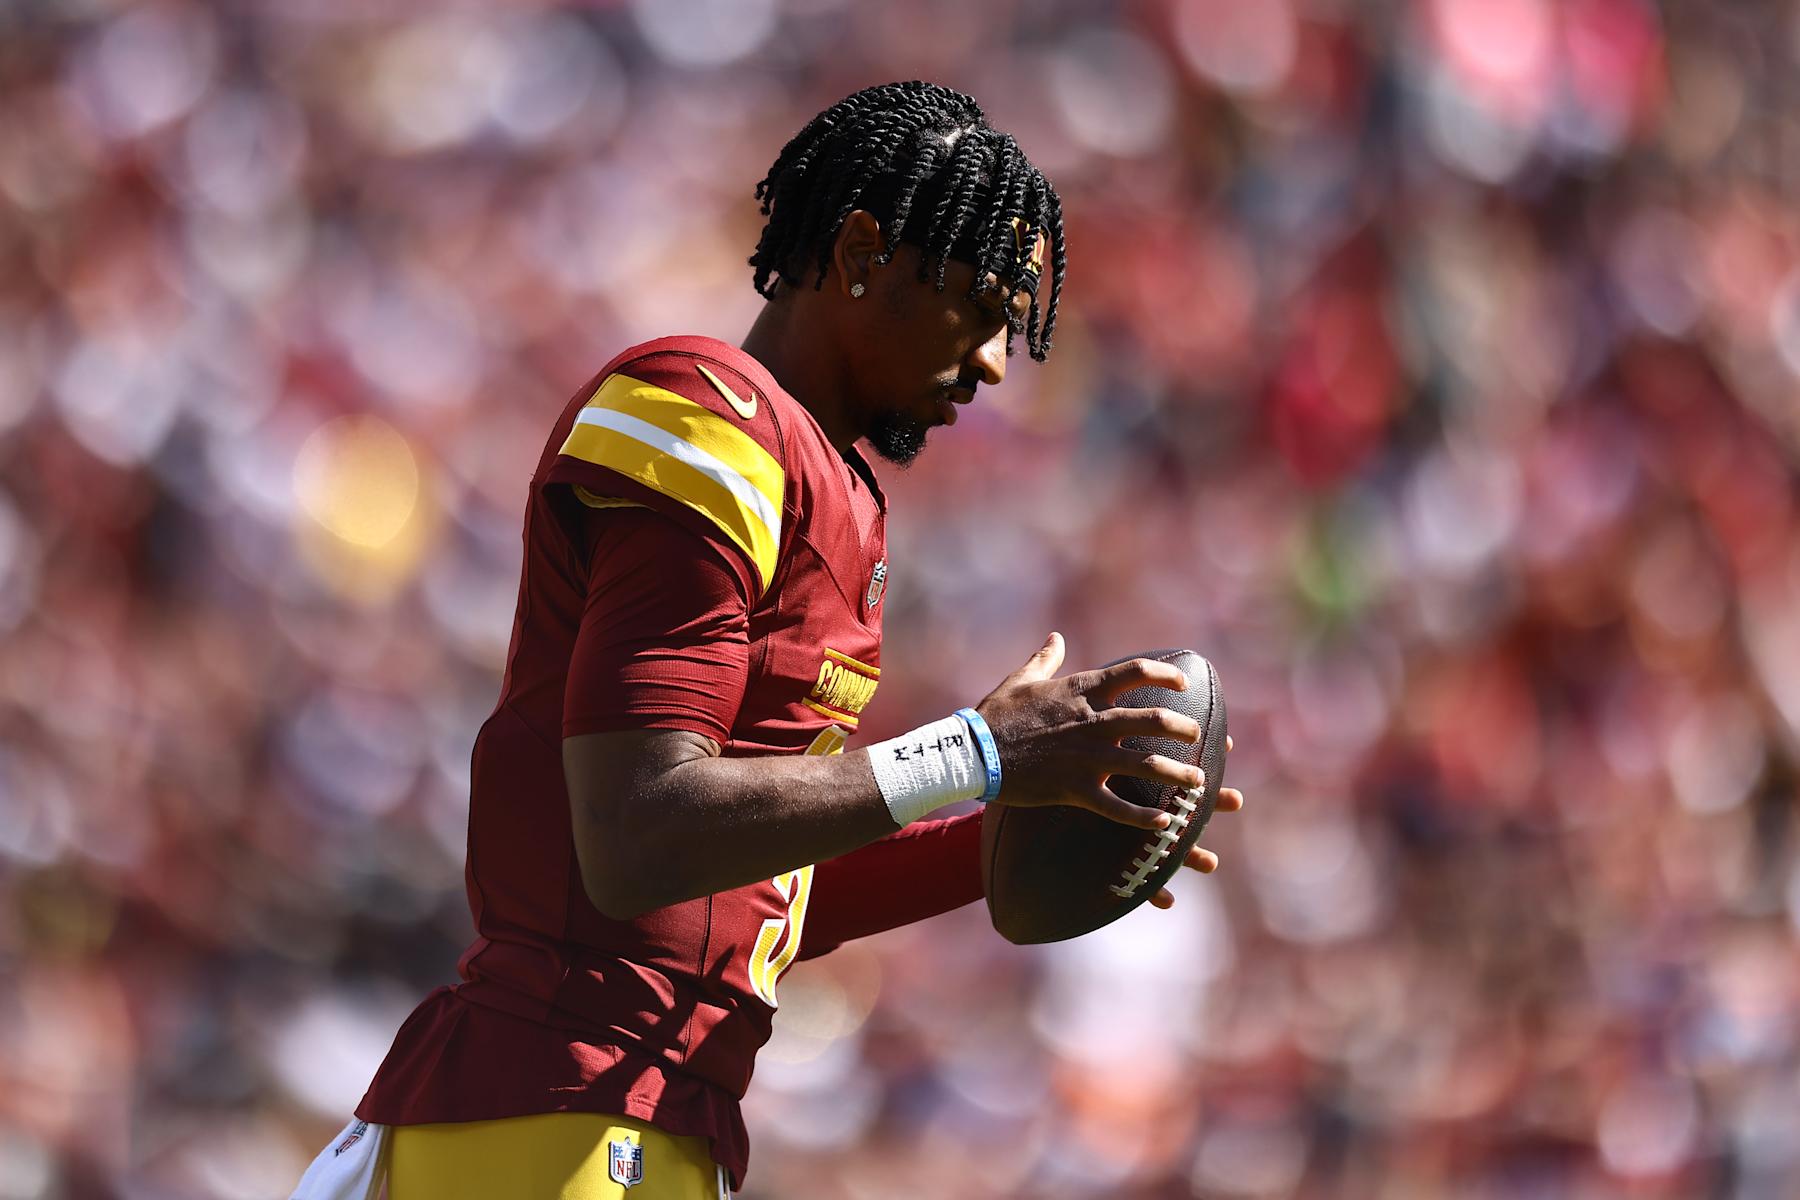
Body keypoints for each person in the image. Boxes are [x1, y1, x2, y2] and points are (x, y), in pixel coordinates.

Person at [289, 80, 1244, 1200]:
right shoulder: (702, 410)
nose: (992, 364)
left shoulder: (838, 494)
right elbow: (638, 833)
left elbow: (743, 898)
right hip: (557, 1105)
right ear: (856, 255)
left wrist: (998, 836)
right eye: (981, 309)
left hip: (634, 1117)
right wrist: (976, 751)